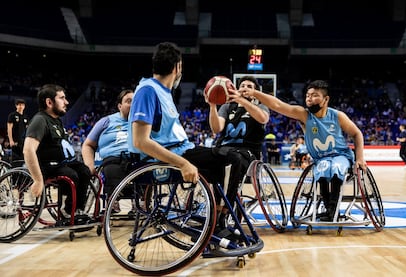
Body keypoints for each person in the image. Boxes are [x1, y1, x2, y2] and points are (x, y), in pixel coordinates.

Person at [128, 42, 245, 227]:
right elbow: (140, 141)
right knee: (233, 160)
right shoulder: (147, 91)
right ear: (177, 67)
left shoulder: (163, 91)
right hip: (169, 157)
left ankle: (214, 221)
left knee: (222, 165)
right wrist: (183, 163)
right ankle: (219, 221)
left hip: (181, 150)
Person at [243, 79, 366, 221]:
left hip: (341, 156)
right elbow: (278, 105)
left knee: (336, 166)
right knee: (324, 168)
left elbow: (357, 134)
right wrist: (255, 93)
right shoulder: (304, 115)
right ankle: (329, 209)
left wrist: (360, 158)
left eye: (314, 95)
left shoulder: (337, 116)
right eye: (308, 95)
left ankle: (333, 208)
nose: (309, 99)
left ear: (326, 99)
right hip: (321, 159)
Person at [23, 84, 92, 223]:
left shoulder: (56, 120)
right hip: (48, 166)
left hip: (62, 163)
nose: (66, 102)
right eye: (62, 98)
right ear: (49, 102)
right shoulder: (40, 120)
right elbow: (28, 150)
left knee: (85, 171)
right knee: (71, 175)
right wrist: (37, 180)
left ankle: (77, 210)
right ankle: (66, 211)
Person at [207, 75, 269, 204]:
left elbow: (263, 119)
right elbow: (216, 129)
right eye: (242, 86)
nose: (245, 88)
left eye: (249, 87)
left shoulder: (261, 107)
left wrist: (243, 101)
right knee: (207, 155)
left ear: (255, 93)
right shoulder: (227, 107)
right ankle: (212, 204)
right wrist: (212, 106)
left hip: (247, 152)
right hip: (224, 149)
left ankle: (223, 209)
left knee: (231, 159)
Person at [82, 89, 134, 212]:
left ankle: (142, 202)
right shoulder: (106, 121)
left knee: (145, 167)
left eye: (136, 101)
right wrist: (89, 165)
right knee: (112, 169)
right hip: (113, 160)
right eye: (129, 101)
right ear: (120, 106)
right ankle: (113, 201)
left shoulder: (144, 122)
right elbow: (87, 145)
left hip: (136, 158)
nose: (133, 104)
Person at [7, 98, 29, 163]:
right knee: (15, 161)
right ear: (16, 106)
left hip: (23, 142)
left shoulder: (26, 117)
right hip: (15, 142)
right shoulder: (12, 115)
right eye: (19, 105)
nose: (20, 106)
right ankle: (14, 173)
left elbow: (27, 129)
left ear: (24, 106)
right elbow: (9, 128)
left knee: (23, 160)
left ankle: (21, 173)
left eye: (22, 105)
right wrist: (11, 140)